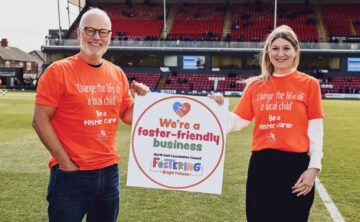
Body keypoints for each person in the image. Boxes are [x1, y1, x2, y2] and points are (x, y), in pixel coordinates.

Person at [32, 8, 149, 222]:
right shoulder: (58, 71)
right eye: (90, 30)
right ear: (79, 33)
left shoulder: (117, 74)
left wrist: (143, 99)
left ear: (110, 37)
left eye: (103, 32)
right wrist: (64, 162)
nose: (97, 37)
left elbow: (128, 116)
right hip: (71, 174)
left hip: (109, 173)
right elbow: (40, 120)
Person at [209, 25, 324, 222]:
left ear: (296, 51)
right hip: (262, 167)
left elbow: (316, 131)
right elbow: (236, 122)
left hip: (295, 167)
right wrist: (217, 108)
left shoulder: (310, 84)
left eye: (286, 48)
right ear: (268, 52)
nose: (280, 53)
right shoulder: (255, 85)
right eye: (275, 48)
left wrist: (313, 169)